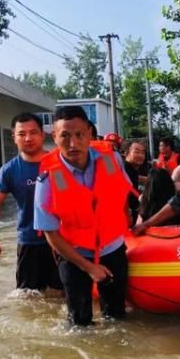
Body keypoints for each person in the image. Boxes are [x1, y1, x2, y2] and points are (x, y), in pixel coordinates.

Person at [34, 106, 133, 326]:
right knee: (79, 324)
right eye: (65, 136)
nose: (73, 143)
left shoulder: (111, 158)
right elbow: (50, 233)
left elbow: (123, 192)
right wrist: (89, 268)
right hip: (73, 256)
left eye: (79, 135)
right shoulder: (47, 179)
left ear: (89, 132)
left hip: (112, 249)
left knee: (118, 320)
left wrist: (126, 223)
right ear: (54, 137)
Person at [0, 112, 61, 292]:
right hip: (29, 243)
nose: (28, 138)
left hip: (62, 242)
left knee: (63, 296)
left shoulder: (59, 163)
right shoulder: (9, 170)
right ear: (14, 138)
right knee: (29, 300)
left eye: (33, 132)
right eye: (22, 134)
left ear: (43, 135)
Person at [124, 140, 147, 224]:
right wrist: (127, 214)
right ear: (127, 153)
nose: (141, 155)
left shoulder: (130, 169)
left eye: (143, 153)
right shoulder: (125, 168)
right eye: (136, 152)